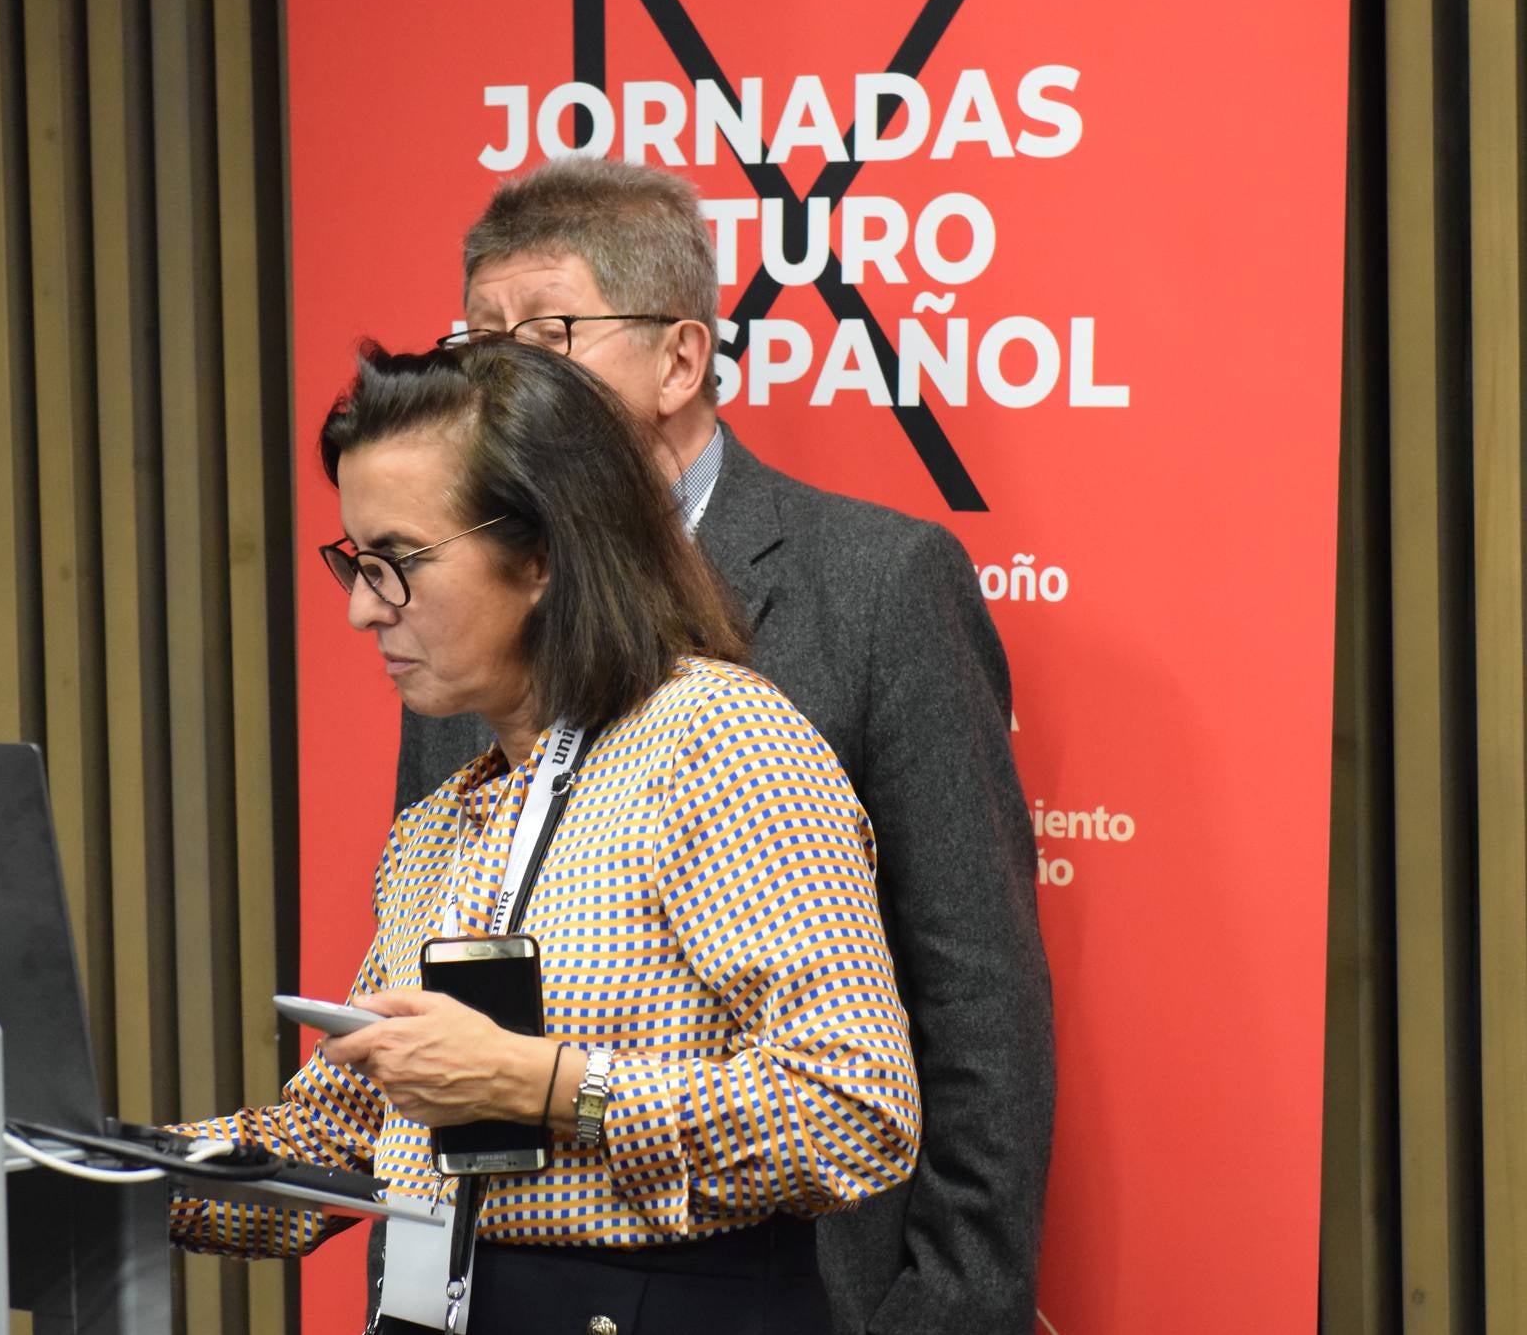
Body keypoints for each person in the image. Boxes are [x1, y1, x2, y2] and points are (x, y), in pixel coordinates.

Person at [390, 158, 1054, 1334]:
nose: (495, 376)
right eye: (473, 338)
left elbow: (976, 997)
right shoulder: (471, 605)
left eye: (545, 333)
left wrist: (948, 1313)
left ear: (682, 360)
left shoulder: (877, 585)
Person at [170, 339, 920, 1333]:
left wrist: (550, 1084)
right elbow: (340, 1137)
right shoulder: (442, 825)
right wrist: (104, 1162)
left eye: (393, 564)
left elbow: (855, 1111)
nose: (360, 609)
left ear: (542, 555)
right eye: (354, 563)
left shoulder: (717, 742)